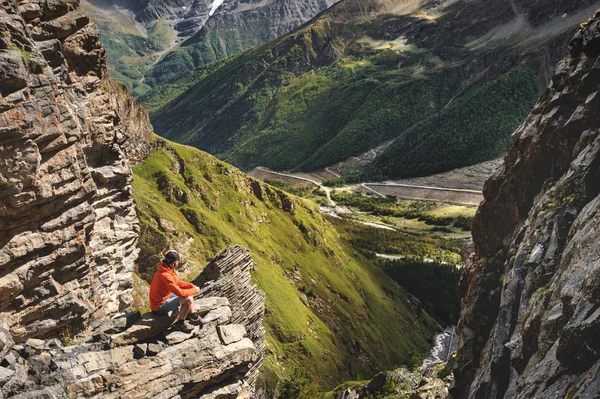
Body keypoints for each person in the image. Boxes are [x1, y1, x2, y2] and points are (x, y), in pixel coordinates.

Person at [149, 250, 200, 332]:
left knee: (188, 293)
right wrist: (195, 290)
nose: (178, 264)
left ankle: (194, 316)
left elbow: (178, 283)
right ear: (173, 263)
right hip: (159, 306)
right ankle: (180, 323)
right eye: (177, 262)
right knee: (188, 299)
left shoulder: (166, 268)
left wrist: (191, 286)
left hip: (164, 298)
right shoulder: (166, 275)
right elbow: (181, 293)